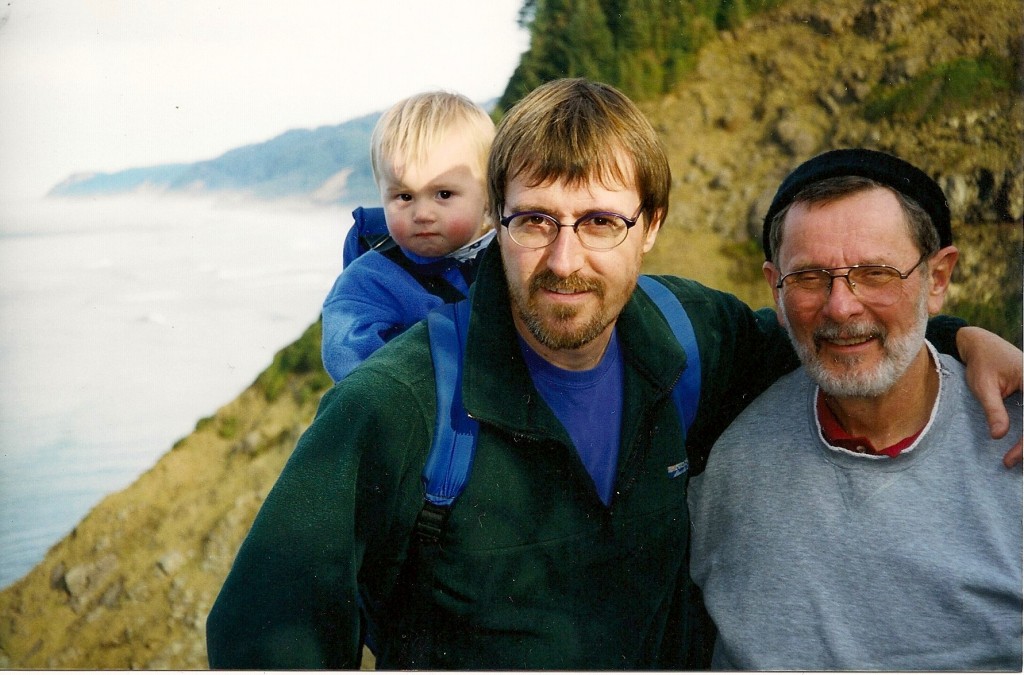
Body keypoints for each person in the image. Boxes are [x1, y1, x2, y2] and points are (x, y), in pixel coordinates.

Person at [206, 80, 1021, 670]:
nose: (565, 261)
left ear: (651, 226)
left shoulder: (687, 337)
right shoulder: (399, 402)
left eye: (601, 221)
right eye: (535, 221)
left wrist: (955, 336)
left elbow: (833, 325)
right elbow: (266, 630)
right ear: (497, 221)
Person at [688, 148, 1023, 671]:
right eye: (809, 277)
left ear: (937, 279)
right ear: (774, 289)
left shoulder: (1015, 440)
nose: (840, 306)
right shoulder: (726, 464)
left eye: (875, 273)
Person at [320, 91, 496, 381]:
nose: (423, 213)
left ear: (488, 193)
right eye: (404, 196)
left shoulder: (513, 253)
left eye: (443, 194)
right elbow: (350, 359)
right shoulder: (368, 280)